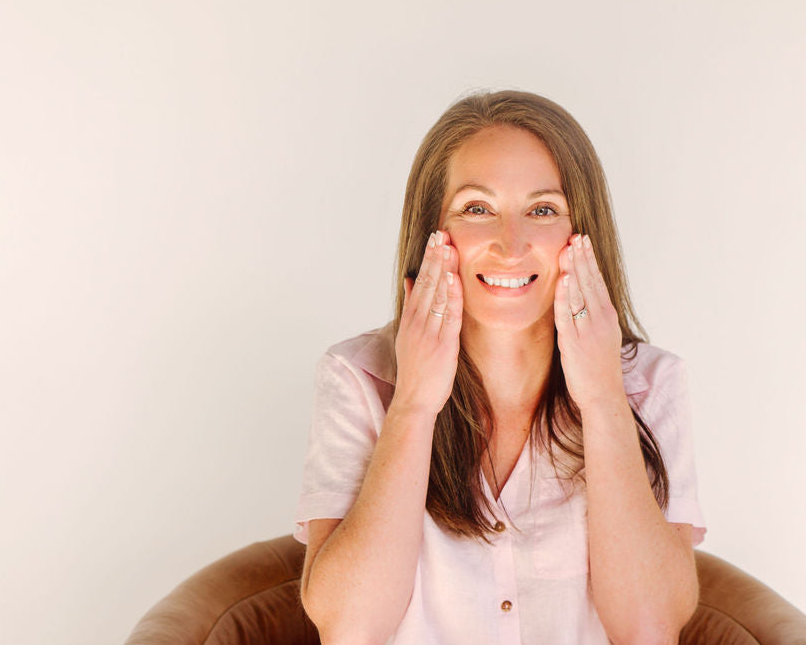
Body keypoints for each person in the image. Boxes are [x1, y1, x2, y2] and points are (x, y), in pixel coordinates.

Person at [293, 89, 707, 644]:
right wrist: (414, 405)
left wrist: (606, 400)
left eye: (542, 210)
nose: (510, 245)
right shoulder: (357, 377)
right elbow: (349, 627)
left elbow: (649, 628)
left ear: (581, 234)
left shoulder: (651, 383)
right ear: (433, 233)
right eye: (477, 209)